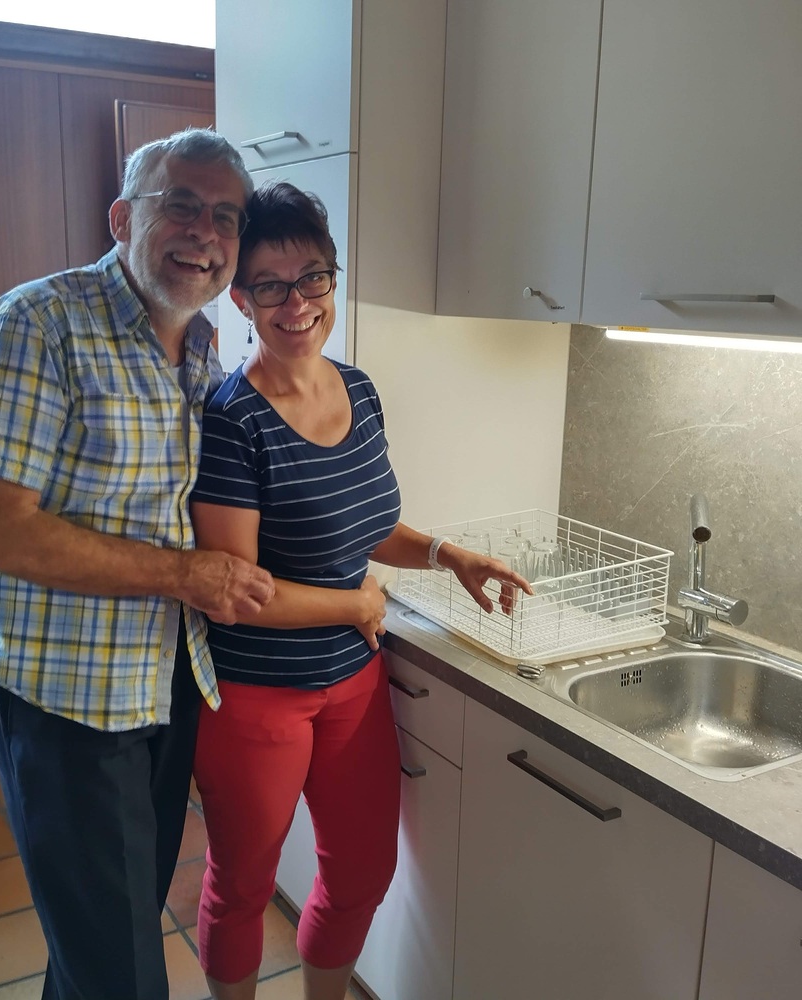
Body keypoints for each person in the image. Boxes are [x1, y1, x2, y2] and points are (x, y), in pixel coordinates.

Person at [0, 128, 275, 1000]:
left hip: (163, 679)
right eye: (182, 206)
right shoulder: (36, 325)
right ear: (123, 218)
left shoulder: (201, 348)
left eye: (226, 217)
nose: (205, 233)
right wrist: (184, 575)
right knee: (120, 970)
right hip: (64, 693)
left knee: (99, 945)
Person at [189, 181, 531, 1000]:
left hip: (352, 684)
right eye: (271, 285)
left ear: (333, 279)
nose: (297, 303)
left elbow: (362, 527)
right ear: (240, 300)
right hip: (257, 695)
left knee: (361, 872)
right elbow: (237, 590)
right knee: (242, 884)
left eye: (313, 276)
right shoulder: (232, 420)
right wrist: (356, 604)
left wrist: (446, 554)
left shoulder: (359, 389)